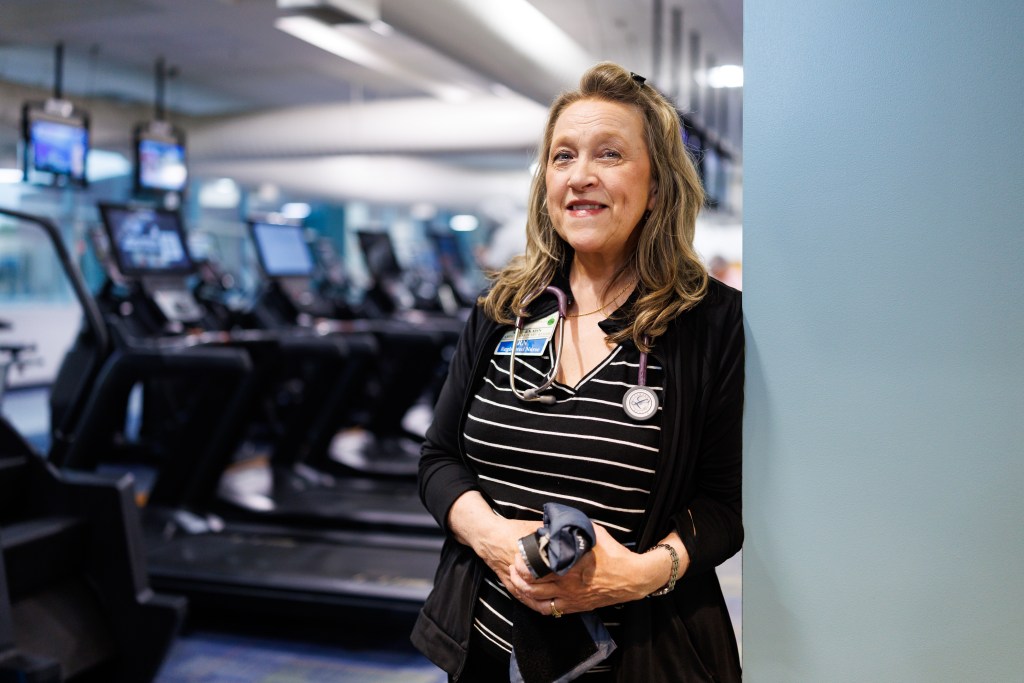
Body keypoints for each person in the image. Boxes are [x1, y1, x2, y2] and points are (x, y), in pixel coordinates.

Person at [411, 62, 743, 682]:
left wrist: (643, 573)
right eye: (563, 157)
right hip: (486, 651)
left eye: (610, 155)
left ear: (659, 182)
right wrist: (490, 536)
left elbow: (724, 505)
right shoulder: (504, 308)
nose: (580, 176)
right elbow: (437, 458)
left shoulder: (711, 324)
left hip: (637, 657)